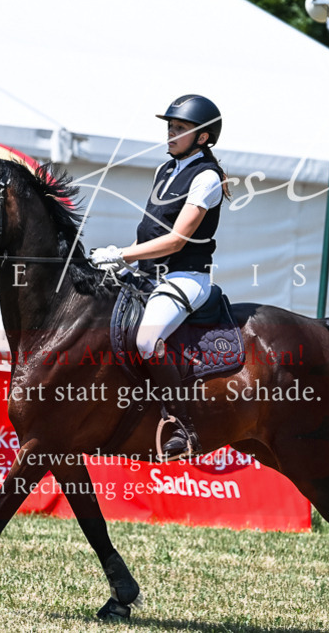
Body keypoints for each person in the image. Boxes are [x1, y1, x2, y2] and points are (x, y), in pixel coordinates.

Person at [89, 94, 229, 459]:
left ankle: (179, 424)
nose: (171, 132)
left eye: (180, 128)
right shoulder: (165, 170)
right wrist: (123, 261)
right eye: (170, 126)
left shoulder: (208, 178)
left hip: (185, 277)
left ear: (202, 137)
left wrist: (121, 253)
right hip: (149, 272)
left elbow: (176, 239)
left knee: (148, 341)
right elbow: (151, 232)